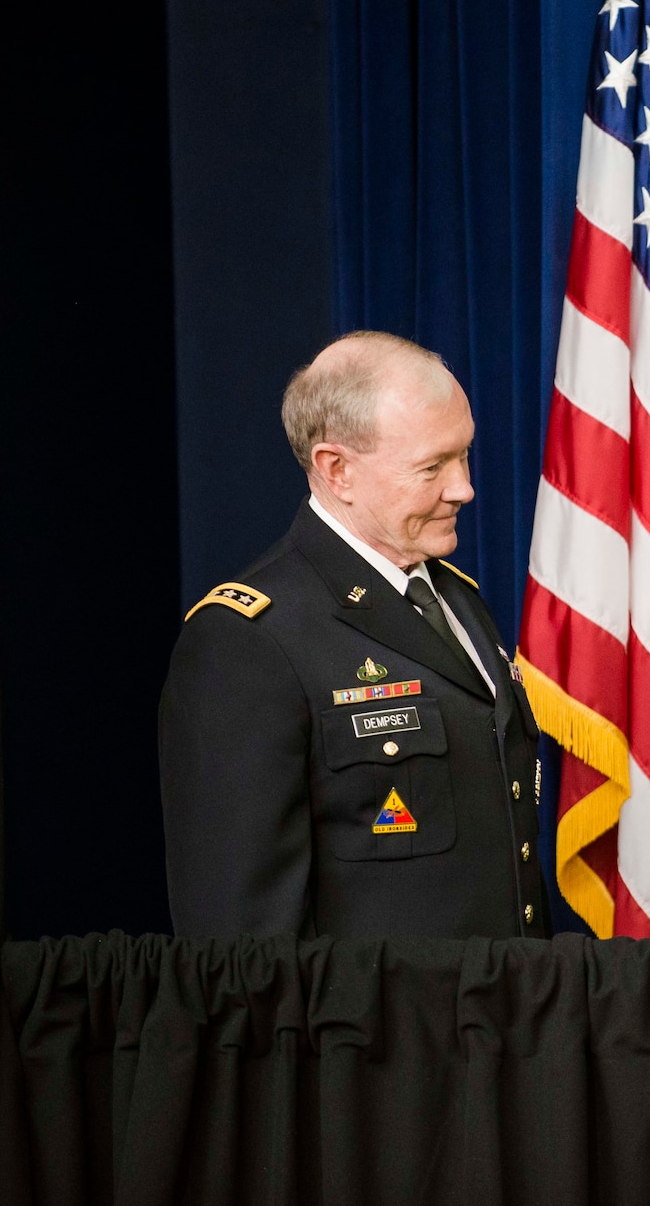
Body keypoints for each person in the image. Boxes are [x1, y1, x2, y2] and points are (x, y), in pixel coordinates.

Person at [160, 330, 550, 940]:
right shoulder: (248, 640)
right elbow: (239, 943)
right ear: (336, 469)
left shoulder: (455, 598)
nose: (464, 488)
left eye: (464, 456)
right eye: (431, 467)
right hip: (376, 1034)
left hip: (509, 1019)